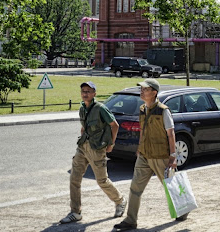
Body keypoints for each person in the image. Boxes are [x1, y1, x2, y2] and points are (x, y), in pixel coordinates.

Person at [114, 78, 187, 230]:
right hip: (144, 156)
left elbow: (171, 133)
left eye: (145, 89)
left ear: (154, 92)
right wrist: (140, 148)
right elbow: (143, 130)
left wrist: (172, 156)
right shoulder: (142, 109)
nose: (142, 91)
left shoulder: (163, 110)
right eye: (141, 89)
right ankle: (130, 220)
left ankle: (184, 209)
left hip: (161, 156)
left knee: (171, 186)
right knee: (135, 188)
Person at [60, 81, 127, 224]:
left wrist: (111, 144)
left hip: (97, 149)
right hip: (83, 147)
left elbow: (114, 125)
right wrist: (83, 134)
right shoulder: (82, 108)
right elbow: (84, 126)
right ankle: (75, 212)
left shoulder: (100, 108)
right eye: (83, 91)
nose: (85, 94)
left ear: (94, 94)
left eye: (88, 91)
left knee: (102, 181)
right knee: (74, 178)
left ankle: (120, 200)